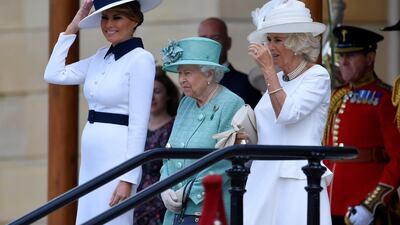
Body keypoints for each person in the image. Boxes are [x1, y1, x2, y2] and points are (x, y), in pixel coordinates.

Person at [44, 0, 160, 224]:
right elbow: (53, 73)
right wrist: (74, 26)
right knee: (88, 217)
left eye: (117, 17)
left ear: (135, 20)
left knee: (112, 219)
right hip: (91, 154)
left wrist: (128, 178)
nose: (108, 24)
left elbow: (138, 123)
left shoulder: (140, 59)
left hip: (117, 154)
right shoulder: (99, 56)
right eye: (105, 18)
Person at [238, 0, 333, 225]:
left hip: (296, 181)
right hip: (263, 178)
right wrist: (245, 135)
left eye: (278, 40)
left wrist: (268, 71)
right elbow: (269, 128)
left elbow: (288, 114)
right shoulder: (279, 79)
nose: (270, 47)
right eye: (268, 39)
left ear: (297, 43)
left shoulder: (317, 75)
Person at [159, 37, 244, 225]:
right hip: (174, 211)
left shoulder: (231, 103)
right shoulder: (186, 103)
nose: (181, 79)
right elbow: (169, 151)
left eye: (188, 73)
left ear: (209, 74)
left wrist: (190, 192)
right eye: (180, 73)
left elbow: (225, 160)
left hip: (208, 210)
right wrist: (164, 187)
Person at [323, 25, 400, 225]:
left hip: (364, 204)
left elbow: (398, 158)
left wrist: (372, 203)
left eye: (351, 56)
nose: (343, 62)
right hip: (331, 201)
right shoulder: (337, 96)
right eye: (341, 57)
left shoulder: (387, 98)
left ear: (370, 58)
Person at [133, 67, 180, 225]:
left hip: (162, 202)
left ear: (168, 95)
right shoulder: (135, 128)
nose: (151, 97)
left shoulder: (176, 127)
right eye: (147, 92)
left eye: (157, 91)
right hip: (133, 200)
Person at [198, 17, 262, 108]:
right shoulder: (193, 83)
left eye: (215, 38)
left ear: (228, 43)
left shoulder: (246, 84)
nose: (209, 44)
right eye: (203, 39)